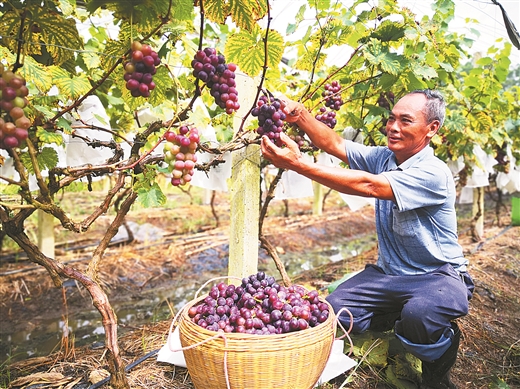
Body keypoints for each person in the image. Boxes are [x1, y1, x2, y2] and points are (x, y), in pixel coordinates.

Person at [260, 89, 474, 389]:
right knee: (332, 312)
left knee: (421, 315)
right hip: (389, 275)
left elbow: (369, 186)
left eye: (406, 121)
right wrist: (300, 116)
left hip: (439, 276)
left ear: (431, 129)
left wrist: (299, 165)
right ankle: (395, 316)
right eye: (391, 119)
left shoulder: (433, 173)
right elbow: (335, 144)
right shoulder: (385, 157)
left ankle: (437, 369)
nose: (393, 127)